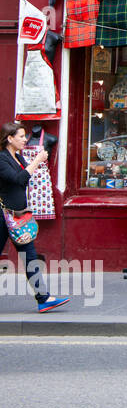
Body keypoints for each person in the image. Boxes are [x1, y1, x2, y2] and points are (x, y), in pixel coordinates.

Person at [0, 121, 68, 312]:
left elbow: (22, 182)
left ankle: (43, 299)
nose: (24, 140)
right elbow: (19, 179)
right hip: (3, 217)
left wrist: (31, 164)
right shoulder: (2, 159)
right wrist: (37, 161)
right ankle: (44, 298)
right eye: (21, 136)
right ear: (9, 138)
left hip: (19, 217)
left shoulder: (18, 158)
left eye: (24, 136)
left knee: (30, 257)